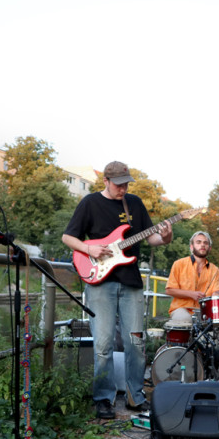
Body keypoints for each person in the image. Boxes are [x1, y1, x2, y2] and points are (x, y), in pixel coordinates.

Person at [62, 162, 172, 419]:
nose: (123, 188)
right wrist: (90, 249)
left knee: (136, 342)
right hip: (100, 282)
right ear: (106, 181)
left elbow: (151, 237)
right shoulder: (89, 203)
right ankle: (103, 399)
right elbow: (68, 237)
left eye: (126, 183)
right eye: (119, 184)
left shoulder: (134, 203)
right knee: (103, 344)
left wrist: (166, 236)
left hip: (131, 281)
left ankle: (136, 397)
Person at [165, 230, 219, 322]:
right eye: (198, 242)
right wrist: (191, 294)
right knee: (185, 319)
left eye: (205, 243)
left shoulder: (215, 269)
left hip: (205, 311)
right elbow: (169, 290)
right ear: (191, 247)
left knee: (218, 326)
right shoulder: (178, 264)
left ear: (209, 248)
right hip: (181, 308)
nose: (202, 245)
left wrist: (216, 295)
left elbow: (217, 291)